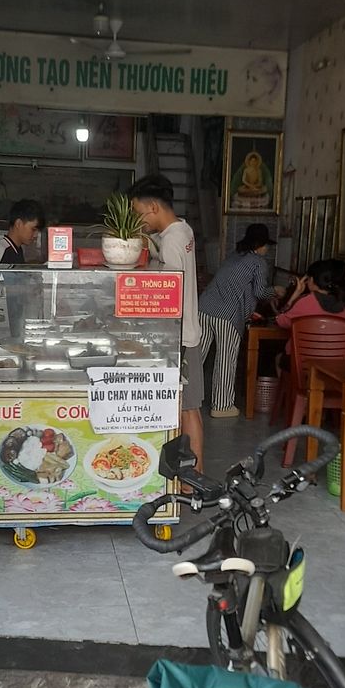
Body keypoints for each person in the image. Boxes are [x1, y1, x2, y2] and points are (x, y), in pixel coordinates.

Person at [129, 174, 204, 472]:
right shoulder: (182, 229)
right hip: (187, 332)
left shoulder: (172, 240)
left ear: (153, 207)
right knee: (189, 408)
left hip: (180, 338)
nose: (139, 221)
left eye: (139, 214)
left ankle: (195, 479)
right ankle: (194, 477)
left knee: (188, 410)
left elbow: (167, 293)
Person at [198, 223, 279, 418]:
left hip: (204, 308)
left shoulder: (234, 255)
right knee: (226, 359)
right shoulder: (258, 262)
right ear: (260, 245)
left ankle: (182, 398)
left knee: (196, 357)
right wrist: (276, 290)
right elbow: (260, 292)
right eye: (266, 245)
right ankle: (222, 405)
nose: (267, 249)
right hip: (228, 314)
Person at [276, 260, 345, 329]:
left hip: (304, 340)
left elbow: (281, 322)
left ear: (311, 280)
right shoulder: (344, 308)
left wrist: (295, 294)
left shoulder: (305, 302)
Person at [0, 199, 42, 267]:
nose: (36, 235)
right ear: (18, 224)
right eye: (33, 229)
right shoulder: (0, 250)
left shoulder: (17, 250)